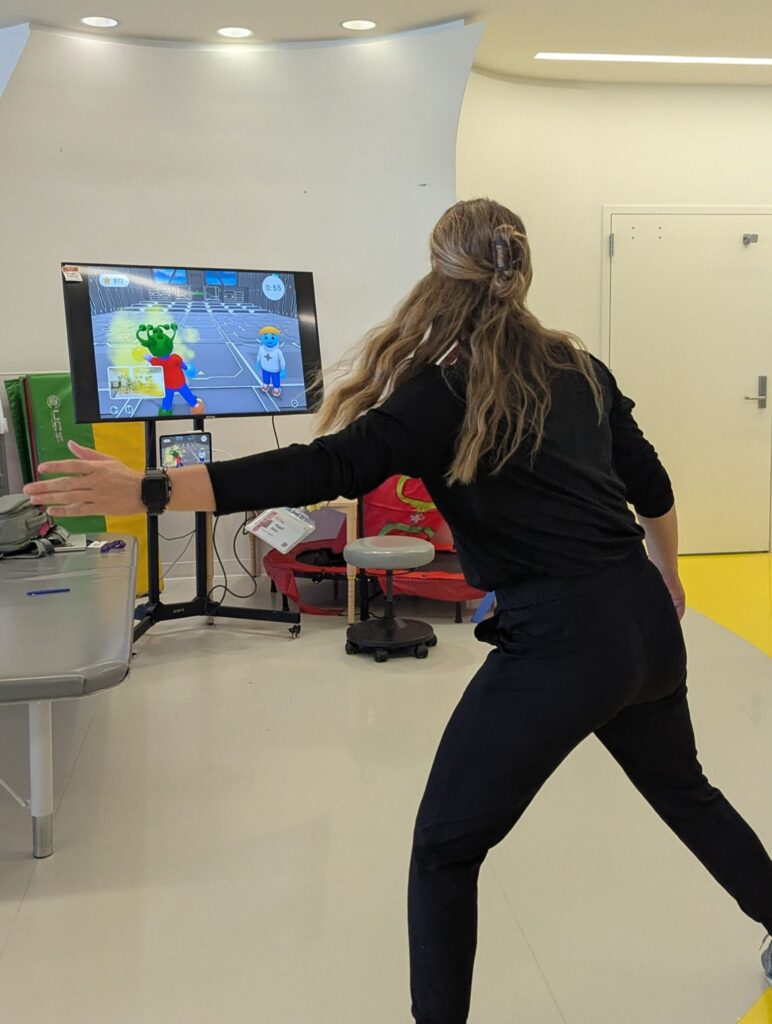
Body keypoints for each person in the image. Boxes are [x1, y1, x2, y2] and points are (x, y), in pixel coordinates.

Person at [25, 198, 772, 1020]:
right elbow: (651, 485)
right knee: (687, 793)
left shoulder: (444, 391)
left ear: (439, 272)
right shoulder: (580, 370)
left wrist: (149, 489)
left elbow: (322, 467)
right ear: (522, 271)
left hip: (562, 644)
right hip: (643, 622)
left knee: (445, 849)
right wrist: (669, 578)